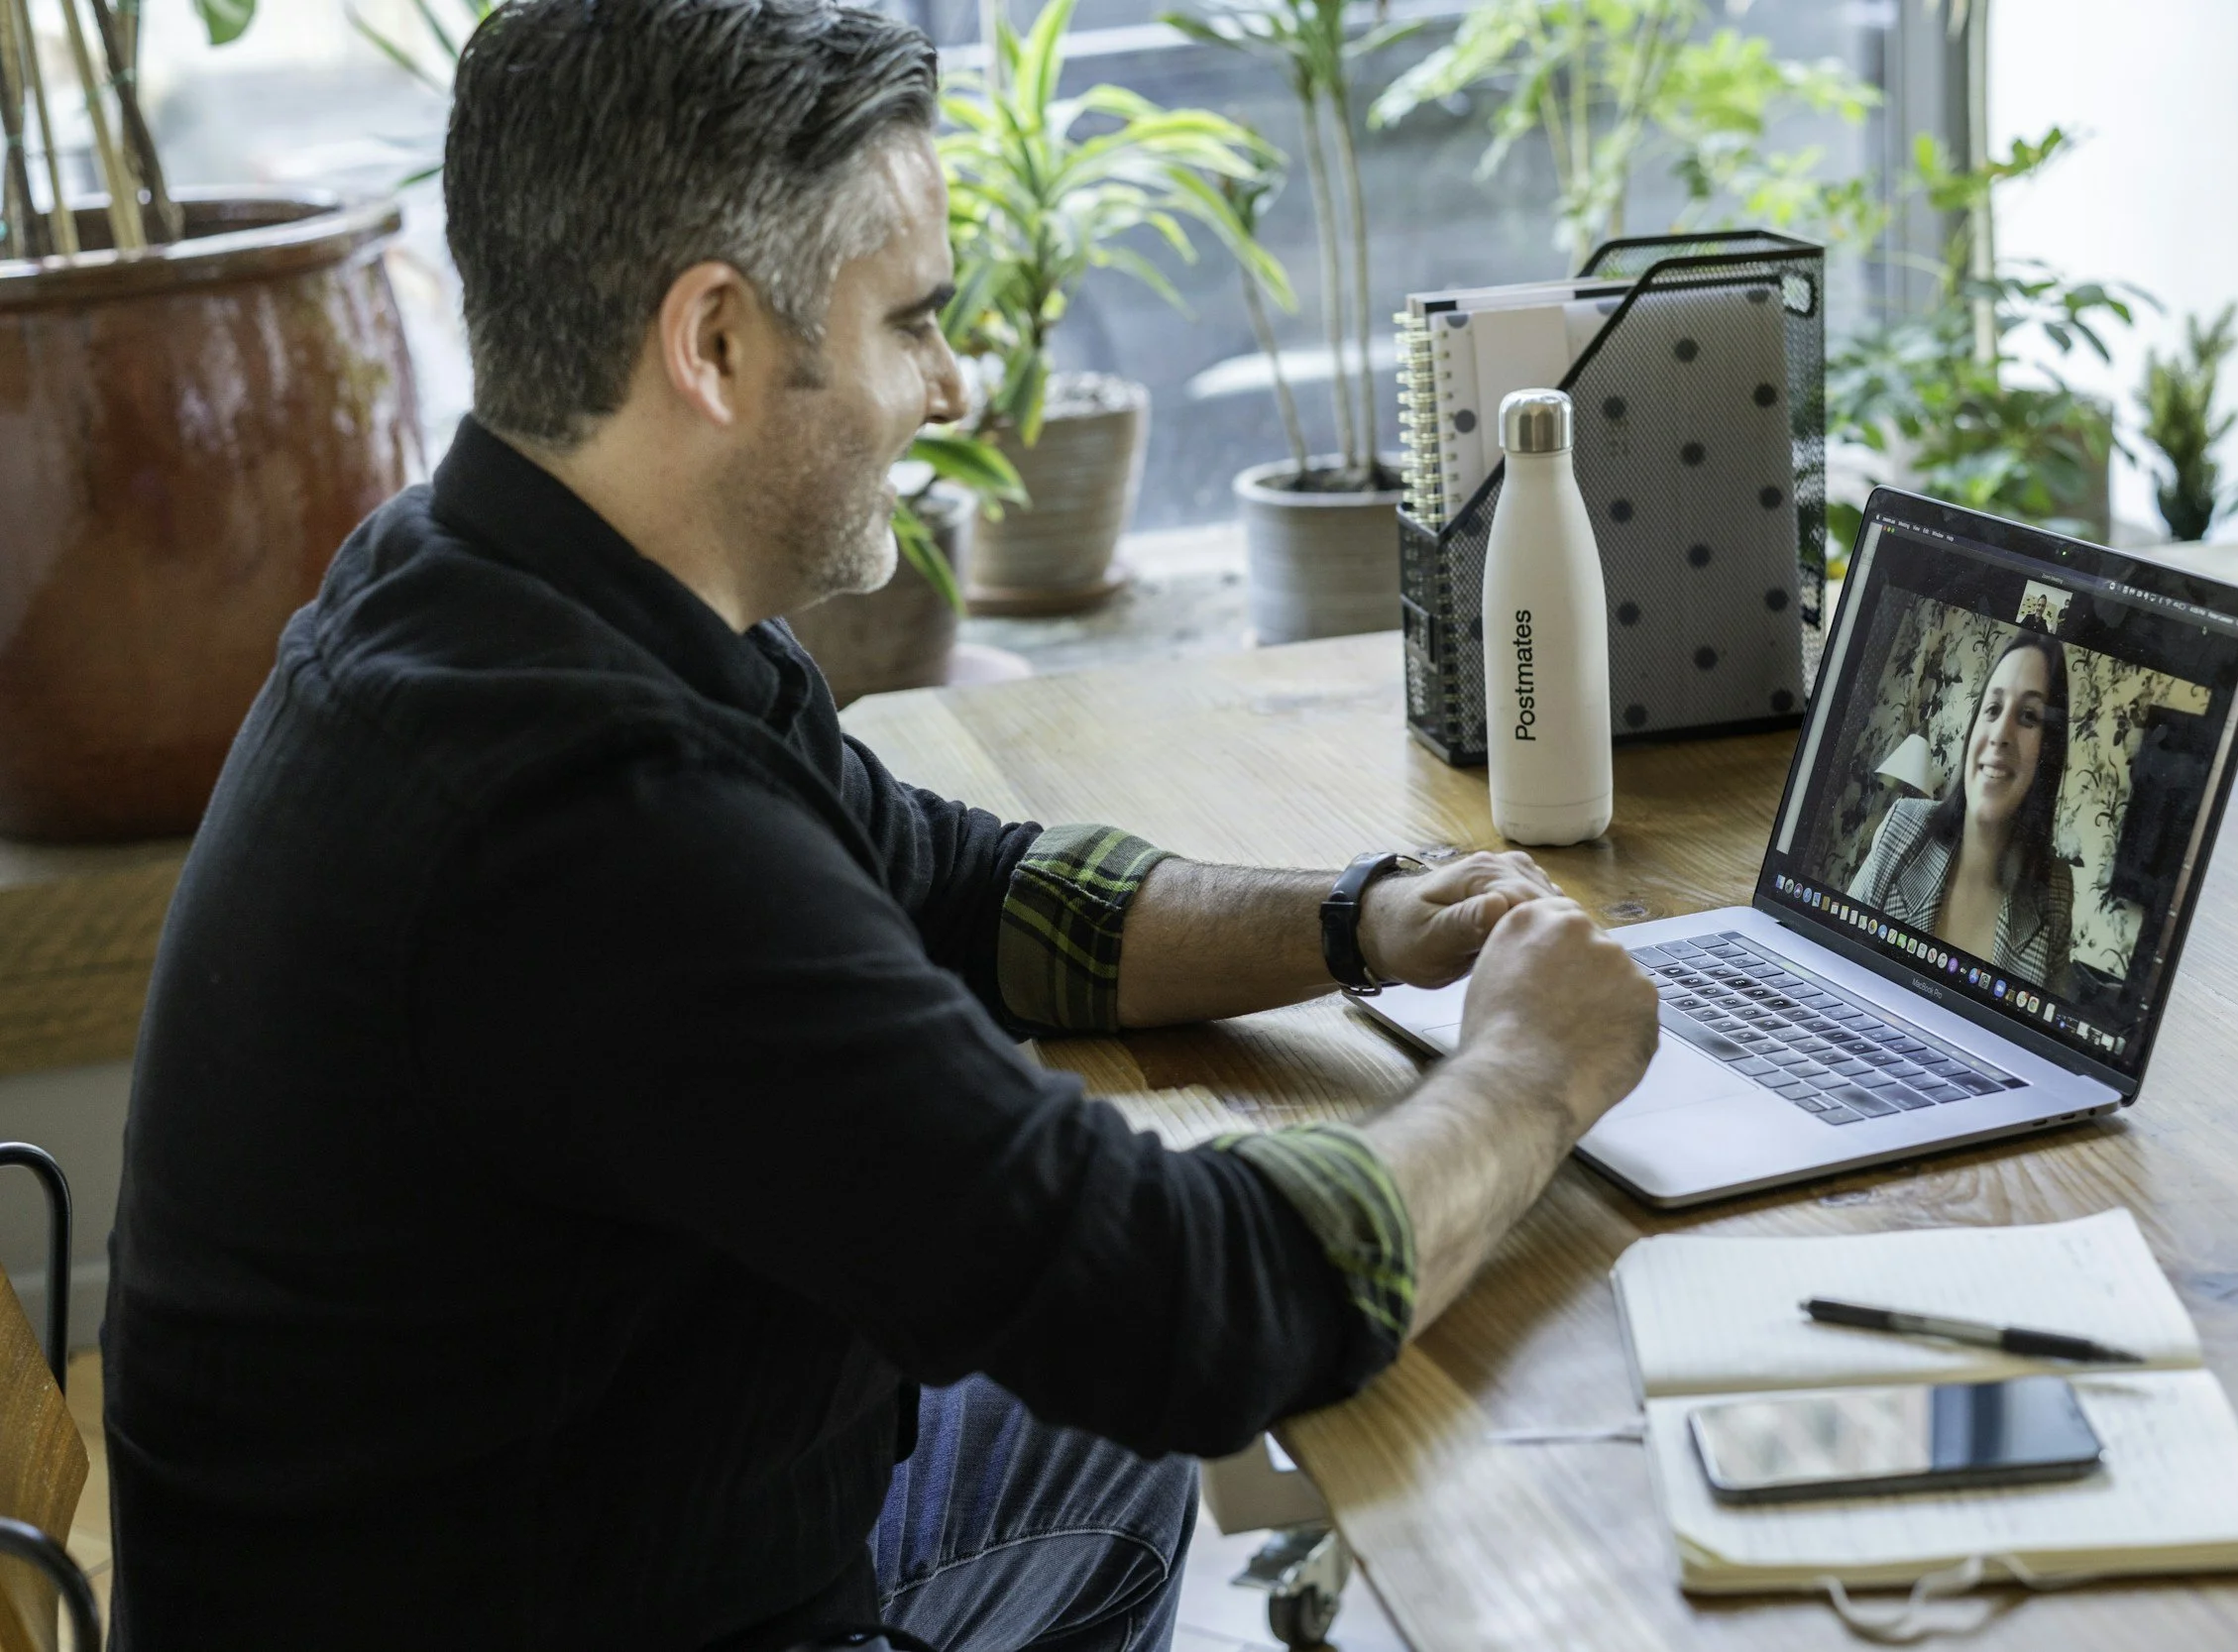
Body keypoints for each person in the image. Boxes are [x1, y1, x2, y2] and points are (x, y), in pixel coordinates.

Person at [98, 3, 1663, 1649]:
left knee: (1089, 1409)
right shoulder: (588, 821)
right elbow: (1190, 1309)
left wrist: (1357, 915)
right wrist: (1532, 1072)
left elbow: (960, 885)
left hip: (575, 1525)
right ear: (712, 344)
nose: (952, 381)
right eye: (912, 320)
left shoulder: (496, 581)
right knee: (1192, 1369)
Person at [1847, 628, 2076, 994]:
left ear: (2047, 752)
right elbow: (1834, 956)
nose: (2001, 733)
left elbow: (2042, 1037)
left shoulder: (2056, 890)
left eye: (2029, 716)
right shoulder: (1903, 826)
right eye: (1993, 708)